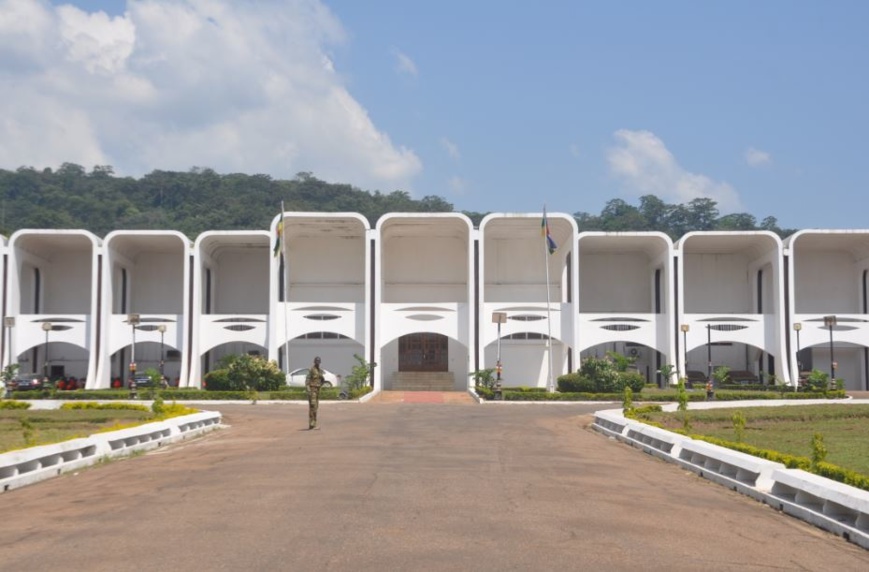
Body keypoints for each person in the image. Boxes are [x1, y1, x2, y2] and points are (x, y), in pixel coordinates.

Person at [306, 356, 325, 430]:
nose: (318, 363)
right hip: (312, 390)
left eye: (319, 362)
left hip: (317, 391)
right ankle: (311, 424)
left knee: (316, 407)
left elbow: (322, 379)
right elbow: (307, 380)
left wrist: (320, 385)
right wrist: (308, 390)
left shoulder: (319, 370)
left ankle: (314, 424)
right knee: (312, 407)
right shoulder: (312, 370)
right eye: (316, 362)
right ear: (314, 362)